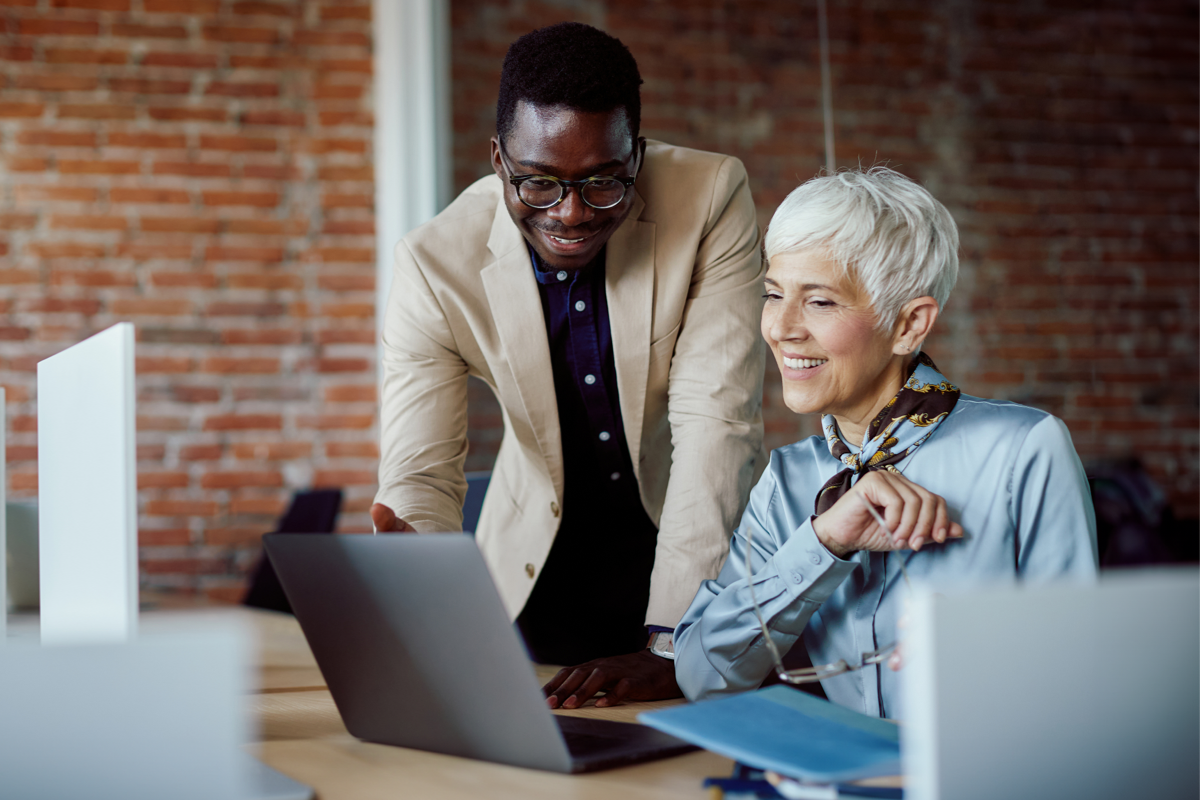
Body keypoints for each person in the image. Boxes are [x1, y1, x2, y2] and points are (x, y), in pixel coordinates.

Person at [371, 23, 766, 709]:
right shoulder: (435, 264)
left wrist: (678, 642)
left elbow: (716, 422)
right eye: (539, 185)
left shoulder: (709, 198)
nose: (573, 214)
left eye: (603, 183)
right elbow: (420, 472)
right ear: (499, 159)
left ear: (635, 157)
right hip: (535, 570)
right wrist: (426, 593)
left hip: (692, 548)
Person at [673, 167, 1098, 720]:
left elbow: (1084, 675)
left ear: (908, 325)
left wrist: (986, 655)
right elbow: (702, 677)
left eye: (820, 302)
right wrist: (823, 542)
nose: (780, 328)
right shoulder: (788, 480)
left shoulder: (1023, 451)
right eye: (773, 294)